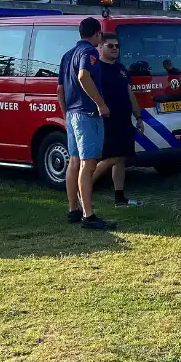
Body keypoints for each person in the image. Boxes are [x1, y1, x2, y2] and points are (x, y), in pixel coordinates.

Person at [57, 17, 113, 230]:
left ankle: (73, 210)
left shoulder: (66, 55)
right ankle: (88, 215)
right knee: (88, 164)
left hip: (71, 114)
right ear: (97, 34)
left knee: (74, 162)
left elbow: (60, 90)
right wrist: (100, 104)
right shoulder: (89, 53)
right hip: (87, 114)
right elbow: (83, 76)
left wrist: (66, 114)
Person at [91, 32, 144, 207]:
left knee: (121, 159)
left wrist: (138, 117)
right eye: (110, 46)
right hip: (107, 120)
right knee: (109, 158)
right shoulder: (96, 68)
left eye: (117, 46)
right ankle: (83, 188)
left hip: (124, 119)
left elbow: (130, 93)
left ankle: (120, 198)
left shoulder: (121, 68)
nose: (115, 49)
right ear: (101, 47)